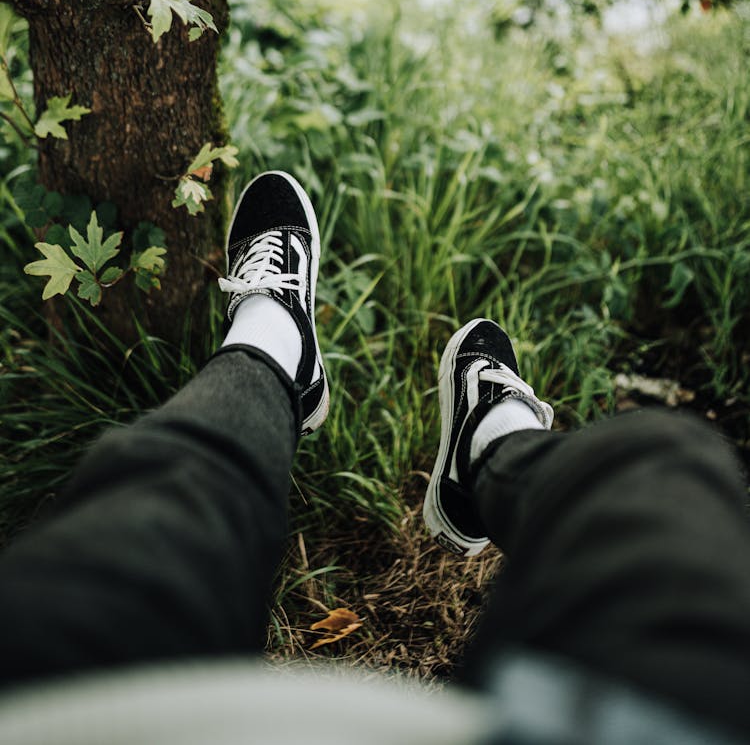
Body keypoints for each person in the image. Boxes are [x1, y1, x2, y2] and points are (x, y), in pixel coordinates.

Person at [0, 171, 748, 744]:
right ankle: (486, 447)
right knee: (668, 462)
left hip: (70, 695)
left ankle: (272, 341)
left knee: (164, 495)